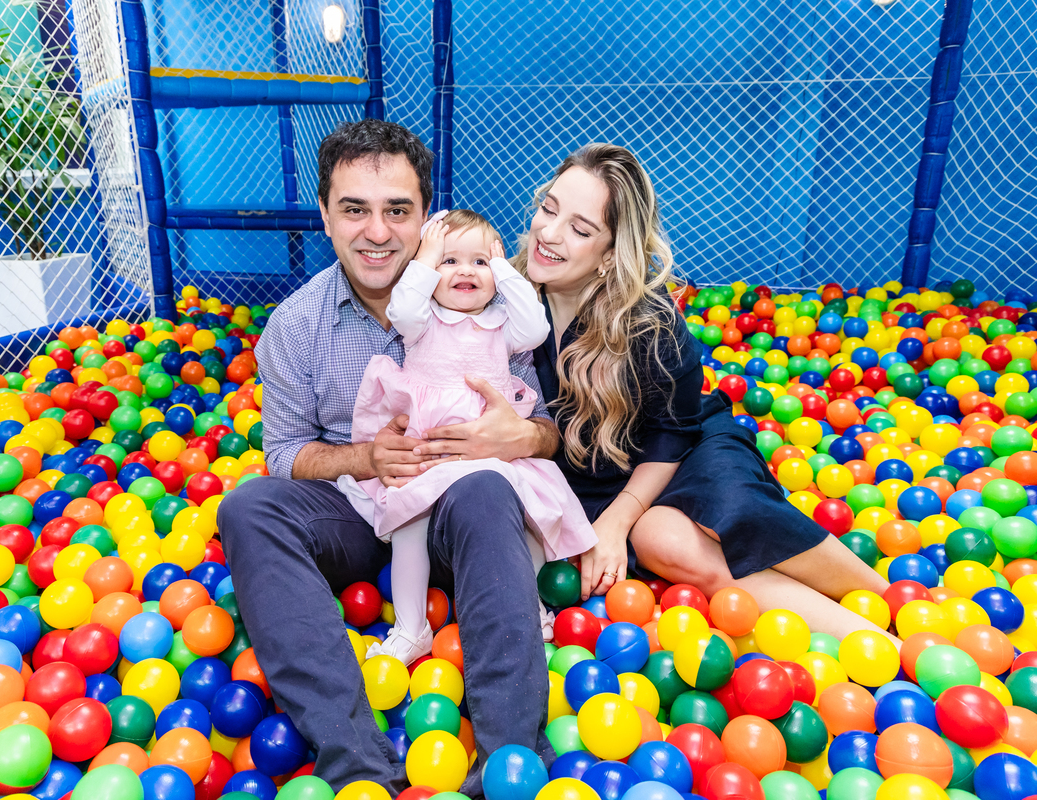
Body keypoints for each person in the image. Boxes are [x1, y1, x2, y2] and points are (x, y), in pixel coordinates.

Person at [416, 143, 898, 645]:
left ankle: (888, 600)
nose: (549, 233)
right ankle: (879, 644)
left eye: (580, 229)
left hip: (679, 450)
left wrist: (617, 521)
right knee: (663, 541)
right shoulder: (496, 294)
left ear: (610, 254)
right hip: (590, 474)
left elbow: (673, 431)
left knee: (732, 506)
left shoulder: (648, 321)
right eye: (548, 209)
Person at [218, 119, 559, 794]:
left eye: (397, 211)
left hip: (463, 513)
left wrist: (519, 437)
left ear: (425, 218)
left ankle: (510, 764)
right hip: (361, 513)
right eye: (355, 210)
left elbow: (546, 429)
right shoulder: (295, 325)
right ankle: (359, 766)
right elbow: (283, 453)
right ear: (325, 216)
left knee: (490, 488)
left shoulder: (482, 299)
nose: (377, 232)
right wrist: (364, 457)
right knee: (248, 508)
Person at [337, 210, 597, 664]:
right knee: (409, 526)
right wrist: (425, 258)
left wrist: (505, 272)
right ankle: (411, 627)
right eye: (450, 260)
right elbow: (402, 308)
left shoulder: (503, 325)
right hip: (431, 450)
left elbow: (536, 327)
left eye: (480, 261)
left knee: (527, 520)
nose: (465, 271)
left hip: (492, 450)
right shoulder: (422, 321)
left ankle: (530, 609)